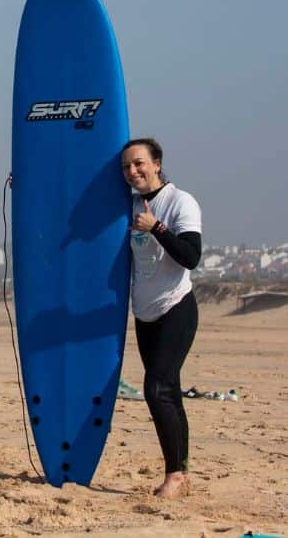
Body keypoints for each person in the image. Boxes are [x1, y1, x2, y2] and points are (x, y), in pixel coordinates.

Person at [121, 137, 202, 499]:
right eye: (126, 167)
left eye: (139, 163)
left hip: (176, 308)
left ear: (156, 163)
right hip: (145, 313)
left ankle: (174, 475)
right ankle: (182, 471)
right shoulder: (130, 205)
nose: (133, 171)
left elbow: (191, 256)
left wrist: (156, 227)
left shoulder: (180, 202)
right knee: (168, 391)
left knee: (156, 388)